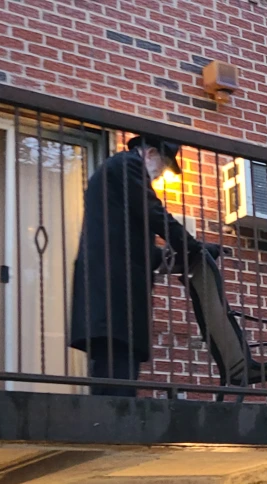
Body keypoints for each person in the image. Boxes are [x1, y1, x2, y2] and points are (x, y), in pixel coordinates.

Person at [69, 135, 221, 397]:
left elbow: (137, 247)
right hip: (114, 293)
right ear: (149, 154)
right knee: (115, 380)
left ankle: (109, 429)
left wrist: (190, 255)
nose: (157, 179)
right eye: (161, 170)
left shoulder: (116, 176)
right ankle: (111, 432)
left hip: (113, 293)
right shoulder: (127, 165)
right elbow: (154, 211)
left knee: (115, 371)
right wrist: (193, 246)